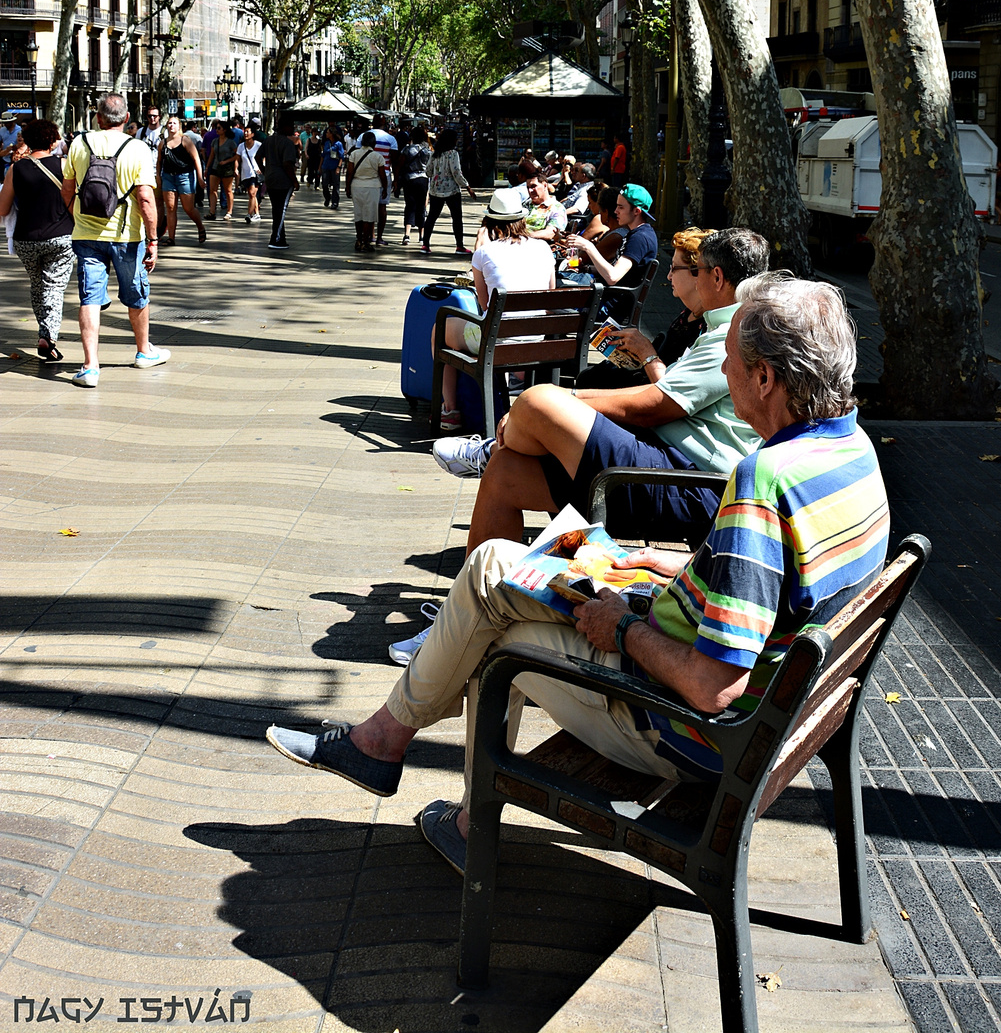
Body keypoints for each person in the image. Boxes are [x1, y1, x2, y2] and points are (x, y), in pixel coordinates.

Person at [266, 270, 889, 876]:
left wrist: (621, 629)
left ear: (764, 376)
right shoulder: (852, 452)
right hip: (772, 709)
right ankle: (384, 744)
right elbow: (774, 587)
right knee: (493, 568)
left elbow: (713, 687)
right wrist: (661, 563)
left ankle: (434, 796)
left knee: (493, 636)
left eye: (730, 362)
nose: (724, 373)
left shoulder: (765, 480)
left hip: (684, 729)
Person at [437, 227, 769, 557]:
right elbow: (661, 396)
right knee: (504, 472)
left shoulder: (732, 334)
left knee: (536, 401)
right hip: (668, 464)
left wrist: (567, 399)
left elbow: (653, 405)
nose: (693, 281)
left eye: (698, 273)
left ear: (717, 277)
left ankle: (498, 445)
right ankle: (482, 603)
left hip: (690, 482)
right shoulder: (725, 327)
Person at [60, 91, 169, 387]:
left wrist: (76, 218)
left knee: (89, 298)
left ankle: (90, 367)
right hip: (126, 236)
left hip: (86, 235)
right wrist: (153, 239)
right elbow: (146, 198)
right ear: (128, 119)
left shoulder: (78, 144)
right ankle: (144, 351)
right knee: (136, 293)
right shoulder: (137, 148)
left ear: (97, 117)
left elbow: (67, 189)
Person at [432, 188, 556, 437]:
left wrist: (479, 246)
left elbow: (484, 304)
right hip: (536, 339)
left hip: (496, 340)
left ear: (490, 222)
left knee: (441, 328)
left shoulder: (484, 253)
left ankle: (450, 410)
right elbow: (550, 296)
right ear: (522, 219)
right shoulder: (544, 248)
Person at [575, 227, 716, 390]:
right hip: (644, 386)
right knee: (590, 376)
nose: (669, 276)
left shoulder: (707, 328)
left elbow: (674, 393)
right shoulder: (689, 313)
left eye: (674, 268)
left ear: (698, 274)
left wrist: (645, 351)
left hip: (651, 398)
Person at [0, 117, 75, 361]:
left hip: (26, 238)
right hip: (60, 236)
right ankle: (48, 335)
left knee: (38, 283)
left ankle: (44, 331)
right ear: (53, 141)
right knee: (54, 287)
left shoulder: (16, 169)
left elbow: (3, 209)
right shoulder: (64, 165)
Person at [567, 182, 658, 315]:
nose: (615, 211)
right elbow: (618, 269)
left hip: (606, 307)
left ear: (636, 211)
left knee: (550, 300)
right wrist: (587, 268)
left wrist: (588, 247)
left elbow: (613, 277)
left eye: (620, 207)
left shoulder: (640, 238)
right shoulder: (637, 233)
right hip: (603, 297)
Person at [423, 128, 477, 256]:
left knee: (432, 217)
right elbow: (456, 173)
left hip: (436, 190)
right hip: (452, 190)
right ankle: (459, 245)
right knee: (456, 218)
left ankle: (425, 244)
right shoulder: (453, 154)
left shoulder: (435, 153)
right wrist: (467, 187)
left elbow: (428, 171)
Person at [156, 116, 207, 246]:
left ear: (179, 126)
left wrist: (200, 178)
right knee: (170, 208)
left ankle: (200, 227)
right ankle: (171, 237)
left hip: (185, 176)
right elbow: (159, 162)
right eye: (169, 123)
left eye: (174, 123)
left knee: (188, 208)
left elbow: (196, 159)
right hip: (168, 177)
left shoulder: (185, 140)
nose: (171, 125)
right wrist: (158, 177)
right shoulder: (163, 143)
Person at [347, 129, 390, 253]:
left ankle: (359, 239)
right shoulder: (378, 157)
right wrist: (385, 189)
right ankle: (366, 242)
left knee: (358, 214)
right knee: (369, 216)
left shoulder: (354, 154)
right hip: (372, 187)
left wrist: (348, 187)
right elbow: (382, 175)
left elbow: (350, 172)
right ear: (374, 143)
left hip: (356, 186)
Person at [262, 113, 300, 250]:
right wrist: (295, 181)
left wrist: (265, 171)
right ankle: (275, 238)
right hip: (283, 181)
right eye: (292, 126)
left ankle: (281, 237)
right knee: (281, 209)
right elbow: (287, 164)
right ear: (285, 127)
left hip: (270, 179)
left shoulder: (268, 140)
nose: (293, 129)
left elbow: (257, 156)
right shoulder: (288, 143)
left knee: (276, 209)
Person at [370, 113, 398, 247]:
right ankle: (379, 237)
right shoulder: (391, 139)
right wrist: (397, 180)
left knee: (369, 206)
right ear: (385, 123)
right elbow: (395, 161)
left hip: (367, 176)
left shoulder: (364, 136)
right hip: (385, 175)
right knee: (382, 206)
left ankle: (371, 235)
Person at [400, 124, 431, 246]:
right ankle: (421, 236)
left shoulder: (407, 150)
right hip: (423, 180)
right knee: (421, 207)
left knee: (409, 206)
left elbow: (400, 164)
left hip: (409, 179)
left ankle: (407, 235)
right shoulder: (427, 151)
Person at [523, 173, 567, 242]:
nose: (530, 191)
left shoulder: (557, 208)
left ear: (545, 185)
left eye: (533, 186)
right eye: (528, 187)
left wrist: (523, 236)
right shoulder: (525, 205)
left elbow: (550, 233)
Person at [237, 124, 265, 224]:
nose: (245, 133)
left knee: (253, 193)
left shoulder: (258, 145)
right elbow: (238, 159)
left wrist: (263, 167)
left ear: (252, 134)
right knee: (251, 194)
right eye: (245, 131)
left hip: (255, 173)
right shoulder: (241, 146)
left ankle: (249, 214)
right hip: (245, 173)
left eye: (248, 131)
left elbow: (264, 156)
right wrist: (236, 169)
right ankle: (257, 214)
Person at [321, 125, 345, 209]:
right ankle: (327, 197)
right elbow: (323, 155)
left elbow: (342, 157)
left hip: (334, 167)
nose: (326, 134)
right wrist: (319, 167)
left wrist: (339, 167)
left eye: (328, 132)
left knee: (336, 184)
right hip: (326, 166)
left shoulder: (338, 144)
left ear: (331, 134)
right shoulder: (327, 143)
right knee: (324, 184)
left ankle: (335, 202)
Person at [0, 111, 23, 179]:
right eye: (4, 123)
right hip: (5, 158)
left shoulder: (19, 129)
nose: (6, 124)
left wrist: (13, 148)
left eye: (7, 123)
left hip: (16, 157)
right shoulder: (2, 130)